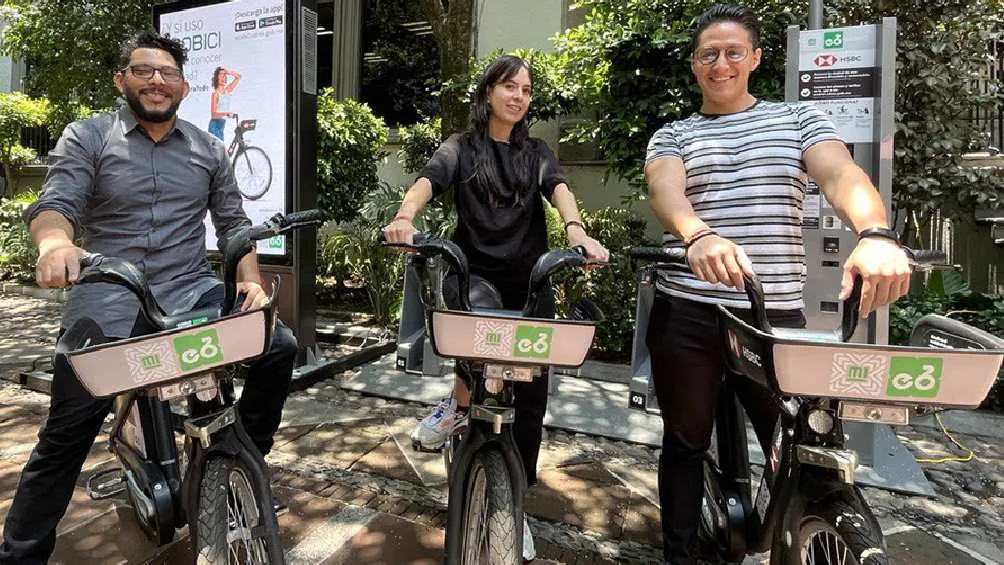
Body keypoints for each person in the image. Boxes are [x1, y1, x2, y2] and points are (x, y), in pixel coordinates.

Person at [0, 30, 296, 564]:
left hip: (191, 289)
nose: (156, 81)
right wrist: (55, 244)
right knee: (66, 432)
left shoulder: (208, 148)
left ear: (183, 86)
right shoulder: (89, 136)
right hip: (108, 297)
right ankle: (21, 553)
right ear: (122, 80)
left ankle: (246, 460)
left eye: (168, 73)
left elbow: (233, 224)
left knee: (277, 344)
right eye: (143, 71)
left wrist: (249, 280)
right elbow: (55, 204)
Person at [643, 5, 910, 564]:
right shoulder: (673, 133)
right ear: (694, 64)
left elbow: (841, 174)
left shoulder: (798, 119)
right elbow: (666, 191)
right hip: (688, 310)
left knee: (797, 441)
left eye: (733, 52)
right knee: (685, 442)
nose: (721, 64)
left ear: (756, 58)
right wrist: (697, 234)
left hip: (772, 317)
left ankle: (798, 531)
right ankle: (678, 554)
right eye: (708, 54)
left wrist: (875, 233)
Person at [382, 54, 609, 560]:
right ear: (488, 92)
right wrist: (404, 217)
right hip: (475, 275)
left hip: (531, 280)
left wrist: (576, 232)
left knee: (532, 397)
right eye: (509, 86)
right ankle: (460, 407)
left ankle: (515, 503)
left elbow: (560, 190)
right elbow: (426, 181)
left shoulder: (536, 152)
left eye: (526, 90)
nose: (518, 96)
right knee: (481, 351)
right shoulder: (461, 148)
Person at [208, 66, 241, 140]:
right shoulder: (215, 94)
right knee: (218, 147)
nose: (223, 76)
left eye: (224, 75)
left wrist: (229, 72)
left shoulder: (227, 91)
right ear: (216, 78)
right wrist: (226, 113)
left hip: (221, 126)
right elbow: (213, 115)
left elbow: (238, 77)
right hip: (215, 126)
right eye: (220, 74)